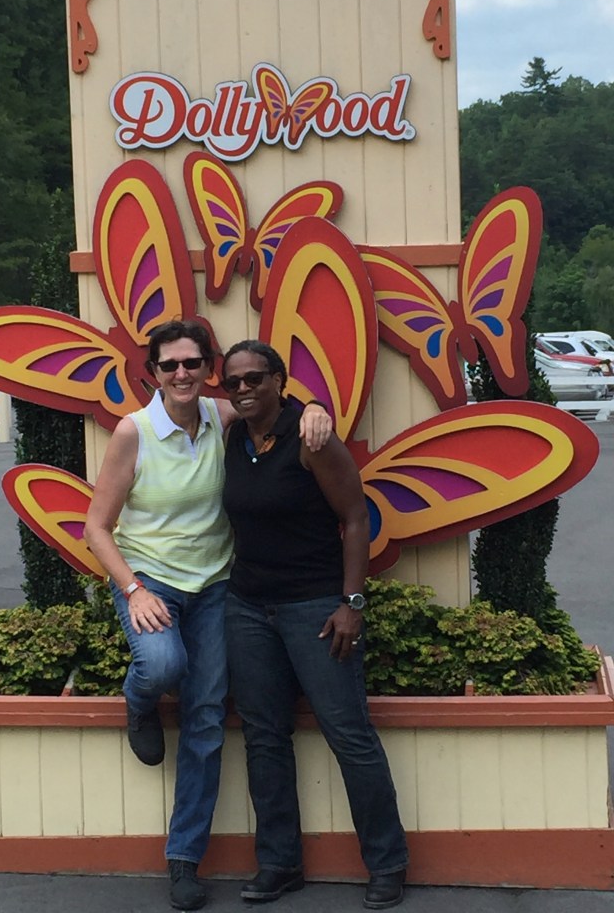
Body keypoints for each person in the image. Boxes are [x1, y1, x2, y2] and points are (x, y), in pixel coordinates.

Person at [83, 320, 331, 912]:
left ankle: (184, 859)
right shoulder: (134, 432)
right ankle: (138, 700)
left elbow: (278, 407)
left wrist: (316, 408)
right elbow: (96, 527)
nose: (181, 374)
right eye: (169, 365)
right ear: (153, 373)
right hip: (152, 584)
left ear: (207, 369)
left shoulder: (223, 418)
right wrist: (133, 590)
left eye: (192, 363)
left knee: (205, 719)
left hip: (217, 587)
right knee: (163, 666)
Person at [220, 340, 408, 911]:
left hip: (315, 608)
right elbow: (185, 402)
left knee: (348, 733)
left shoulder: (311, 438)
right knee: (264, 737)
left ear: (279, 380)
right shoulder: (231, 434)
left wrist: (352, 602)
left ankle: (387, 863)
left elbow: (355, 518)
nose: (244, 389)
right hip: (248, 608)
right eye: (233, 381)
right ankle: (279, 863)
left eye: (255, 378)